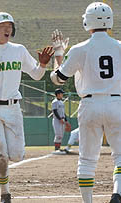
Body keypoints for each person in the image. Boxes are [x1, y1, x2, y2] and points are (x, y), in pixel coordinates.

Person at [0, 12, 54, 203]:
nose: (7, 29)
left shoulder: (18, 50)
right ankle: (5, 193)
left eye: (9, 26)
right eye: (2, 26)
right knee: (0, 155)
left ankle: (5, 182)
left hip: (13, 109)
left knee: (16, 156)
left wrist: (42, 65)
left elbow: (35, 75)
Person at [50, 2, 121, 203]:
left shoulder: (80, 48)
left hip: (90, 104)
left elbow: (58, 78)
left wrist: (58, 54)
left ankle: (88, 202)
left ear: (86, 21)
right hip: (117, 102)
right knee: (120, 156)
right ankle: (117, 193)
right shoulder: (119, 46)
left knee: (87, 160)